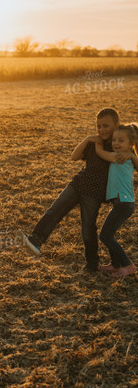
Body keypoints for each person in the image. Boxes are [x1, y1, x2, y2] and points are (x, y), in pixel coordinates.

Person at [19, 108, 132, 272]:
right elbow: (74, 156)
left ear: (117, 125)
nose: (101, 130)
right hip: (78, 184)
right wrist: (87, 139)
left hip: (94, 193)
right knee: (55, 210)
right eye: (99, 126)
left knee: (87, 228)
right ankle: (36, 239)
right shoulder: (94, 143)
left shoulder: (119, 146)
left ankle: (92, 264)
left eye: (106, 126)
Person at [96, 124, 138, 278]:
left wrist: (96, 141)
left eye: (121, 140)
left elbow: (100, 152)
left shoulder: (120, 157)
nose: (116, 143)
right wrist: (133, 156)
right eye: (114, 140)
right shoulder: (126, 156)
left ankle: (127, 265)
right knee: (109, 234)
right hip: (123, 203)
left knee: (105, 235)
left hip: (124, 203)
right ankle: (115, 265)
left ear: (130, 144)